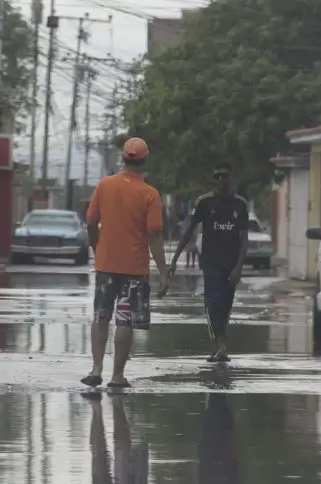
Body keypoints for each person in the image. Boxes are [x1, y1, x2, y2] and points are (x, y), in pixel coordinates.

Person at [81, 137, 170, 389]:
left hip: (106, 264)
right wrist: (163, 273)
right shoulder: (150, 194)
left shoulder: (104, 185)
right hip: (134, 268)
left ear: (123, 158)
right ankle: (117, 375)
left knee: (100, 316)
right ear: (145, 160)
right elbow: (154, 235)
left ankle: (96, 369)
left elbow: (90, 222)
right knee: (124, 320)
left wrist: (97, 249)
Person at [169, 162, 248, 362]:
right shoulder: (204, 203)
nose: (221, 180)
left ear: (230, 179)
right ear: (213, 180)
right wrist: (175, 258)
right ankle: (221, 346)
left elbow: (244, 237)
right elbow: (189, 231)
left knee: (225, 306)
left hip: (231, 263)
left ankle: (219, 346)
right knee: (212, 305)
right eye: (217, 177)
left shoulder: (240, 204)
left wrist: (239, 266)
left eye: (225, 176)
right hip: (211, 263)